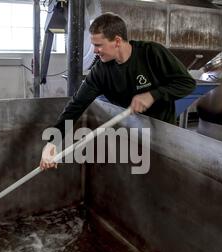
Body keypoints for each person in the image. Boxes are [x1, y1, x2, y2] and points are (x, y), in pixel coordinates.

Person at [40, 12, 196, 170]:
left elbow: (187, 83)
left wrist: (152, 95)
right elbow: (76, 105)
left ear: (117, 41)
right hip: (129, 137)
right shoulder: (100, 72)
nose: (94, 51)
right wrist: (52, 142)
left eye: (99, 45)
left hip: (162, 137)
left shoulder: (151, 53)